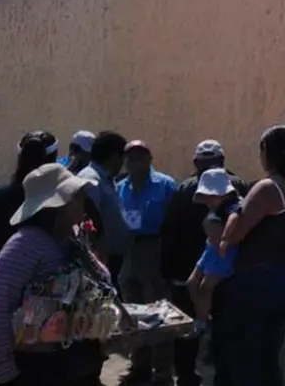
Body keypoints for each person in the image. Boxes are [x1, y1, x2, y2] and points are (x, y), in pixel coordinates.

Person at [0, 163, 113, 386]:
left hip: (80, 366)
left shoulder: (71, 240)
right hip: (40, 370)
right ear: (57, 206)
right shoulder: (25, 246)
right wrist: (7, 374)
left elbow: (104, 280)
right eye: (78, 197)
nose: (84, 204)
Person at [213, 125, 285, 386]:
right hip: (280, 279)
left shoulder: (266, 188)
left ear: (266, 152)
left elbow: (235, 234)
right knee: (269, 358)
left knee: (244, 358)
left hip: (252, 283)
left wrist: (232, 207)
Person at [159, 139, 248, 386]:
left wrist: (168, 272)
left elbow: (170, 232)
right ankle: (223, 377)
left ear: (196, 163)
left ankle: (188, 378)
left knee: (187, 334)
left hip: (198, 269)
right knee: (224, 332)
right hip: (228, 276)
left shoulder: (185, 189)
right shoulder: (238, 185)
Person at [116, 140, 178, 386]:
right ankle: (139, 366)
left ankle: (162, 372)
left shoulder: (165, 185)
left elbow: (175, 222)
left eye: (140, 158)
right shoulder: (121, 187)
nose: (134, 163)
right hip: (129, 250)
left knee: (159, 313)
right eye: (130, 159)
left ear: (150, 159)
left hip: (155, 248)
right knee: (132, 312)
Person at [0, 131, 60, 294]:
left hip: (3, 291)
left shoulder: (0, 199)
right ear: (54, 159)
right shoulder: (62, 201)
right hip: (53, 298)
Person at [186, 169, 241, 332]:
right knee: (191, 283)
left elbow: (234, 218)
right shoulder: (215, 209)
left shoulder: (232, 206)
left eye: (212, 197)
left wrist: (225, 238)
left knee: (206, 286)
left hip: (222, 252)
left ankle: (202, 321)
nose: (208, 202)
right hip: (210, 249)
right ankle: (202, 313)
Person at [78, 130, 130, 281]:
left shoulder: (106, 178)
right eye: (123, 157)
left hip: (112, 259)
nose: (123, 163)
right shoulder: (91, 179)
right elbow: (88, 223)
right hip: (100, 259)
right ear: (114, 156)